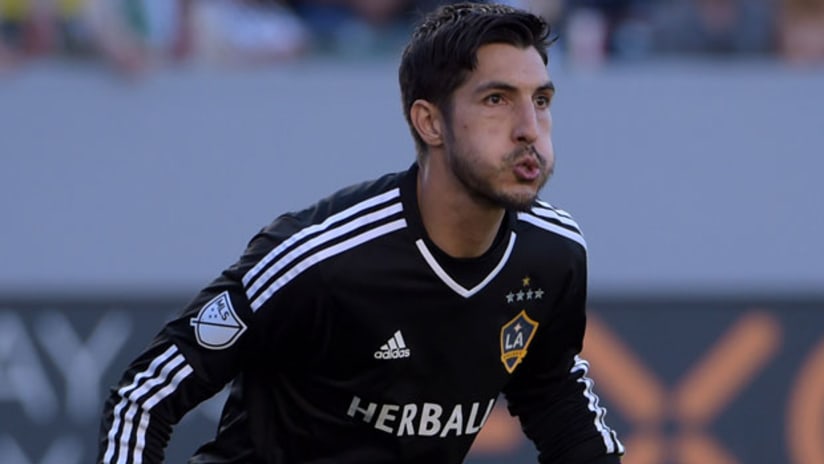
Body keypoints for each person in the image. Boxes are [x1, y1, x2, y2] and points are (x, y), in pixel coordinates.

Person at [97, 2, 624, 463]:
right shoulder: (318, 256)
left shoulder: (554, 252)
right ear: (429, 123)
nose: (530, 128)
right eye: (497, 100)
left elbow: (553, 396)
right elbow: (143, 400)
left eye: (541, 100)